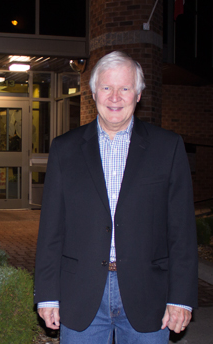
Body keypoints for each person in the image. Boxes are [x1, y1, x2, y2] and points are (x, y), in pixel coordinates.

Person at [34, 51, 198, 343]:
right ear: (94, 92)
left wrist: (181, 297)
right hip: (80, 294)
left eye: (125, 88)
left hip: (148, 295)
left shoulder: (168, 147)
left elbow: (182, 231)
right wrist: (47, 295)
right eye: (107, 88)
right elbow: (51, 231)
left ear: (138, 95)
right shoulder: (65, 149)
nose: (115, 97)